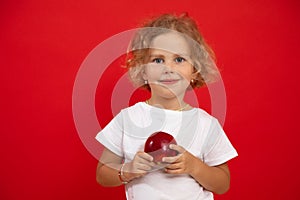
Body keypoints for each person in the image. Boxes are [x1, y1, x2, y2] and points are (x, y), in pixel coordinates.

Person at [95, 13, 238, 200]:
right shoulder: (127, 118)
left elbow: (222, 184)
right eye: (158, 60)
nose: (168, 68)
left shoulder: (206, 124)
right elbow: (102, 175)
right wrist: (127, 171)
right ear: (143, 70)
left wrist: (194, 166)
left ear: (194, 70)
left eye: (179, 60)